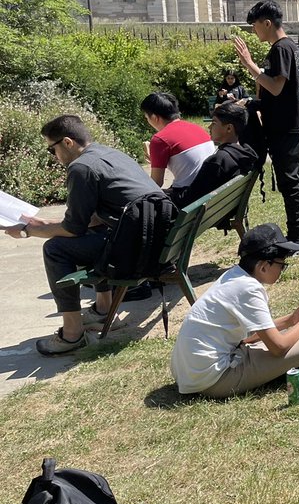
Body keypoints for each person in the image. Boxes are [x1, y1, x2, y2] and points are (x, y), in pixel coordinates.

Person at [4, 115, 159, 355]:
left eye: (51, 149)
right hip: (155, 239)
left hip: (136, 250)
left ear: (67, 142)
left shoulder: (81, 167)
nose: (53, 156)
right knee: (94, 231)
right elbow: (89, 220)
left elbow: (72, 229)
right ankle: (104, 310)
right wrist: (43, 223)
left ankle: (72, 334)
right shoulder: (111, 154)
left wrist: (27, 231)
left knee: (55, 249)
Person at [170, 223, 299, 398]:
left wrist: (291, 320)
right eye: (281, 264)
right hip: (214, 380)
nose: (282, 269)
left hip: (192, 374)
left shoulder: (234, 277)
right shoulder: (249, 289)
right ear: (263, 267)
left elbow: (250, 336)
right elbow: (279, 347)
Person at [233, 0, 299, 251]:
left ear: (267, 23)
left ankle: (297, 238)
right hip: (289, 123)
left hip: (284, 126)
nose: (253, 30)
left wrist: (249, 64)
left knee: (290, 182)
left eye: (255, 25)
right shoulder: (287, 47)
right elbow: (281, 93)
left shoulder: (281, 48)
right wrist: (253, 102)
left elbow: (276, 87)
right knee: (295, 179)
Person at [167, 102, 259, 208]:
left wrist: (162, 193)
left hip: (198, 214)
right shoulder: (243, 155)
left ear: (229, 128)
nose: (209, 127)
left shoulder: (219, 161)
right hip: (222, 211)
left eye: (214, 123)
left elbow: (188, 200)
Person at [140, 92, 216, 191]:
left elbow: (156, 183)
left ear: (155, 117)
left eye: (147, 118)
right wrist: (156, 160)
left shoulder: (160, 139)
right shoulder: (197, 128)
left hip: (191, 194)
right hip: (212, 188)